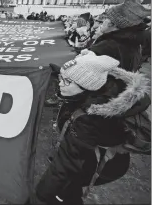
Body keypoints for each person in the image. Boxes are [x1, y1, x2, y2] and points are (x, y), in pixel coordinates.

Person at [33, 52, 150, 204]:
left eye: (67, 81)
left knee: (66, 189)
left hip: (100, 164)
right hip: (104, 157)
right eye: (61, 78)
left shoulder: (89, 120)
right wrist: (63, 72)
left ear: (87, 86)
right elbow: (80, 76)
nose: (60, 84)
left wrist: (38, 198)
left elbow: (65, 164)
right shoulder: (102, 86)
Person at [80, 0, 150, 72]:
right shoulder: (132, 43)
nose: (103, 22)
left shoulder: (108, 46)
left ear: (112, 23)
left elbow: (81, 69)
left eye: (107, 18)